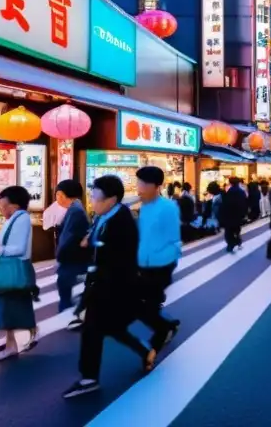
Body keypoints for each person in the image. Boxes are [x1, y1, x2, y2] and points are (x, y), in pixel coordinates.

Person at [63, 175, 154, 399]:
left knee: (92, 330)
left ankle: (89, 378)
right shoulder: (105, 217)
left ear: (111, 199)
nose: (92, 202)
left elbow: (118, 260)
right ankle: (145, 350)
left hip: (113, 287)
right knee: (111, 328)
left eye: (96, 198)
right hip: (104, 285)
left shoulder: (121, 223)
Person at [0, 186, 38, 359]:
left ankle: (12, 344)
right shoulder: (14, 219)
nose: (1, 210)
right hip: (15, 270)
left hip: (15, 270)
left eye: (3, 206)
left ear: (13, 206)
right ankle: (24, 334)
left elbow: (19, 248)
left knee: (7, 308)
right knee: (13, 306)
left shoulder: (21, 220)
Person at [135, 166, 183, 353]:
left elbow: (174, 239)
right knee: (147, 303)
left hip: (161, 266)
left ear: (157, 186)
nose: (140, 187)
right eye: (139, 182)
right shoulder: (144, 207)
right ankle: (167, 326)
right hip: (144, 264)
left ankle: (158, 339)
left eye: (143, 184)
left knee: (145, 304)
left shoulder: (168, 207)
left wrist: (165, 263)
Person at [54, 180, 89, 316]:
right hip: (75, 256)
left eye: (57, 195)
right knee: (65, 283)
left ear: (62, 195)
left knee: (64, 282)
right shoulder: (76, 207)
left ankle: (71, 311)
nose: (57, 198)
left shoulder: (75, 211)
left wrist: (60, 254)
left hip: (73, 256)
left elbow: (68, 237)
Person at [220, 177, 248, 253]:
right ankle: (238, 242)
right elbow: (245, 203)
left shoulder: (229, 192)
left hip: (230, 215)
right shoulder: (242, 192)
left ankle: (231, 245)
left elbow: (226, 204)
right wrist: (244, 214)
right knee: (237, 230)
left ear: (231, 183)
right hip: (239, 215)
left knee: (229, 231)